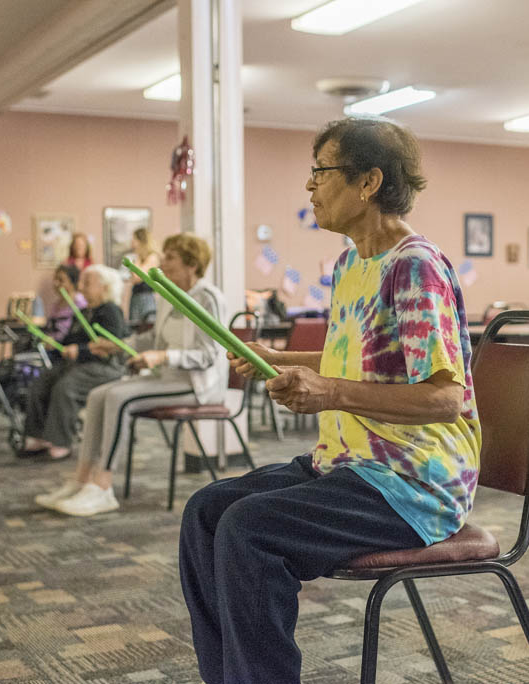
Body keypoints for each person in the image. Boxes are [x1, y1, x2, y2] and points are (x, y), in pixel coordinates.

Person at [179, 117, 481, 684]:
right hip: (350, 464)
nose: (310, 186)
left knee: (248, 528)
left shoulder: (413, 267)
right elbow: (352, 369)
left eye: (321, 171)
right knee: (206, 512)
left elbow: (446, 398)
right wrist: (283, 359)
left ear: (368, 182)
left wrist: (331, 393)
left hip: (415, 481)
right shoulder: (349, 264)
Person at [34, 234, 227, 517]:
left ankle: (103, 486)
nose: (163, 262)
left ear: (192, 264)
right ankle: (82, 479)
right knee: (98, 394)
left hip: (197, 385)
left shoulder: (208, 298)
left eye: (170, 257)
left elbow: (209, 356)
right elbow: (151, 337)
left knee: (117, 397)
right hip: (165, 378)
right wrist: (114, 345)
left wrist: (162, 357)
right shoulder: (167, 294)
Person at [20, 265, 127, 460]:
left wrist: (81, 350)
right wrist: (58, 345)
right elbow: (72, 339)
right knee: (42, 382)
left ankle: (61, 442)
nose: (82, 287)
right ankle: (37, 436)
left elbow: (112, 345)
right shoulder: (85, 311)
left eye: (87, 283)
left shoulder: (111, 310)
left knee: (66, 387)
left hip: (105, 367)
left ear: (104, 288)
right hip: (81, 364)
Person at [126, 227, 161, 328]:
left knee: (146, 327)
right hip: (136, 297)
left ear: (141, 241)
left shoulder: (152, 257)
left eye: (134, 239)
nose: (131, 242)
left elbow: (137, 277)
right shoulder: (140, 258)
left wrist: (136, 258)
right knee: (135, 327)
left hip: (146, 298)